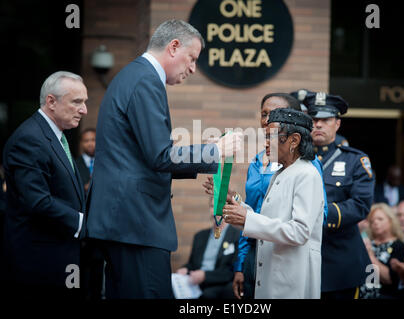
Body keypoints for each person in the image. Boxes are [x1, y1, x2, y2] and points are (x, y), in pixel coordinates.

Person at [85, 19, 242, 299]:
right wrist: (215, 151)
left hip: (125, 224)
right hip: (135, 226)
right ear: (173, 47)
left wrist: (204, 153)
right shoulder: (145, 80)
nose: (193, 68)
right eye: (191, 58)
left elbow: (144, 155)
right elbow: (160, 155)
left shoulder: (135, 76)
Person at [203, 93, 327, 299]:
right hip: (268, 270)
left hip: (291, 277)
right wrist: (235, 201)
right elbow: (268, 217)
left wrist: (248, 219)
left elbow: (300, 231)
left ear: (294, 140)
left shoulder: (307, 173)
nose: (266, 144)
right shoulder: (282, 171)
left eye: (271, 138)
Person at [1, 71, 88, 298]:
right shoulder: (29, 139)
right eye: (77, 102)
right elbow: (37, 201)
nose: (84, 110)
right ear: (51, 101)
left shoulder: (56, 135)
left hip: (63, 261)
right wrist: (83, 222)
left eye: (85, 102)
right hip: (40, 265)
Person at [303, 91, 375, 299]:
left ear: (337, 124)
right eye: (313, 119)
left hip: (339, 260)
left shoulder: (355, 160)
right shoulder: (294, 159)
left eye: (325, 120)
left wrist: (321, 215)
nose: (317, 124)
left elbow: (361, 204)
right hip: (301, 257)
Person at [176, 197, 240, 299]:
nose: (215, 211)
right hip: (195, 284)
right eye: (212, 206)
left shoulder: (237, 236)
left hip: (220, 285)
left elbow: (232, 272)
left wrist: (205, 276)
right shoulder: (199, 236)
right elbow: (192, 264)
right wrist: (185, 269)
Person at [359, 203, 404, 299]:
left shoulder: (398, 246)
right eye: (372, 221)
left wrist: (370, 255)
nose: (375, 223)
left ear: (391, 221)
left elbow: (389, 279)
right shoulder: (367, 243)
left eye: (380, 219)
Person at [75, 128, 96, 193]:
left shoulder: (105, 162)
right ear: (81, 143)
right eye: (86, 141)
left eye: (93, 140)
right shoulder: (75, 164)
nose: (90, 144)